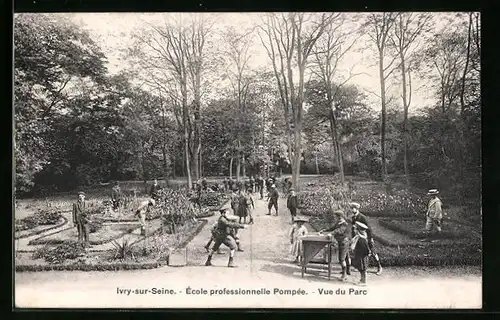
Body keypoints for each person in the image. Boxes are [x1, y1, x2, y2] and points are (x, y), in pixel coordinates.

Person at [350, 202, 382, 275]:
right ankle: (360, 266)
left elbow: (369, 228)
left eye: (353, 208)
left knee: (372, 252)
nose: (352, 210)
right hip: (358, 237)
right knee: (358, 251)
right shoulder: (353, 217)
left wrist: (370, 238)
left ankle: (379, 266)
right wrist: (353, 238)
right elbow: (353, 228)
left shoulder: (362, 217)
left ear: (357, 209)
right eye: (351, 208)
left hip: (366, 237)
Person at [319, 209, 351, 281]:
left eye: (335, 216)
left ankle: (344, 275)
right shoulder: (339, 223)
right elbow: (333, 228)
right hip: (343, 242)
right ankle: (347, 271)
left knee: (341, 259)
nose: (335, 217)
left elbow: (339, 231)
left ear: (339, 216)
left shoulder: (344, 224)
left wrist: (331, 234)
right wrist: (325, 230)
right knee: (346, 257)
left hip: (344, 242)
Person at [351, 221, 370, 286]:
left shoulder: (362, 240)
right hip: (359, 256)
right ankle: (361, 280)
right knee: (360, 268)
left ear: (358, 230)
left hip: (362, 257)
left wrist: (364, 254)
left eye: (355, 229)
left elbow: (366, 250)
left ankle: (364, 281)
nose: (354, 230)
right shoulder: (358, 237)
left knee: (363, 269)